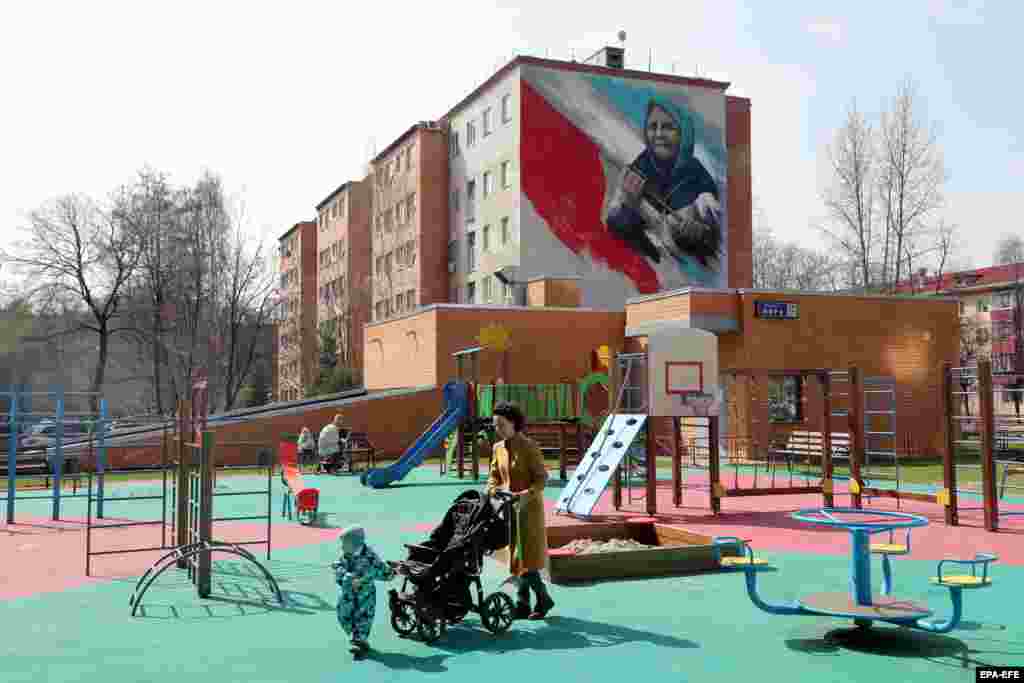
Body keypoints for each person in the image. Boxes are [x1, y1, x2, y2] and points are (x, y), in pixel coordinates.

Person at [606, 97, 723, 286]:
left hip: (693, 286)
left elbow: (714, 236)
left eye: (668, 127)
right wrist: (629, 206)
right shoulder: (639, 168)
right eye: (653, 127)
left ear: (682, 132)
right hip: (650, 280)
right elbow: (616, 228)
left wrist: (701, 232)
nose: (659, 134)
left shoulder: (697, 174)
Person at [485, 401, 555, 620]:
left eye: (501, 425)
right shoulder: (498, 448)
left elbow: (542, 478)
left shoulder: (529, 447)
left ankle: (543, 599)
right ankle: (523, 604)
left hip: (528, 511)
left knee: (527, 559)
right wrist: (492, 489)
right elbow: (493, 477)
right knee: (516, 560)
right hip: (508, 510)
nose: (498, 429)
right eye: (495, 425)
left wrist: (527, 494)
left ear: (514, 423)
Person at [332, 525, 396, 658]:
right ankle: (355, 635)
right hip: (348, 594)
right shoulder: (346, 554)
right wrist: (344, 575)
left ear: (355, 543)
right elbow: (339, 566)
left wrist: (391, 572)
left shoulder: (370, 556)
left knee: (363, 618)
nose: (342, 547)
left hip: (365, 595)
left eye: (345, 543)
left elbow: (382, 571)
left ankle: (359, 640)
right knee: (343, 614)